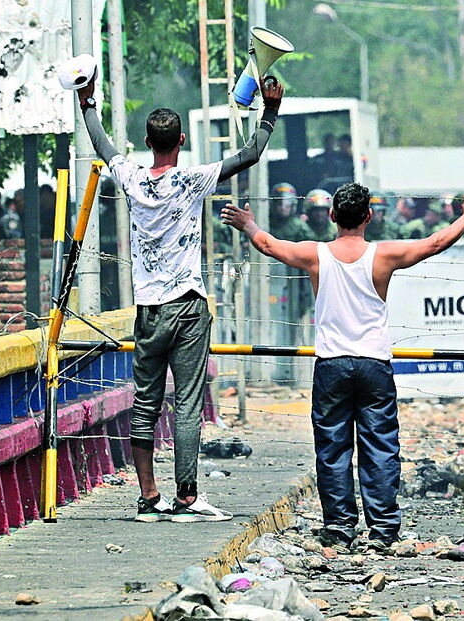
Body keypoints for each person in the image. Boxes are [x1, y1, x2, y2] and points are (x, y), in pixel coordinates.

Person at [221, 182, 464, 550]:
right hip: (373, 364)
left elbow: (269, 245)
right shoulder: (384, 255)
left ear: (333, 216)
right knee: (380, 446)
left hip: (332, 363)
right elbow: (434, 243)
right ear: (368, 216)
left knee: (332, 447)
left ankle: (339, 527)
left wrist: (248, 224)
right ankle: (382, 530)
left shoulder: (315, 254)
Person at [76, 71, 285, 522]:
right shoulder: (192, 180)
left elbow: (102, 145)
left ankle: (148, 498)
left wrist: (87, 100)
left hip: (149, 309)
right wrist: (269, 109)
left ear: (147, 142)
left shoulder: (130, 177)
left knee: (146, 402)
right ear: (182, 140)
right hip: (189, 306)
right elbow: (250, 154)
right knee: (187, 401)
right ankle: (188, 498)